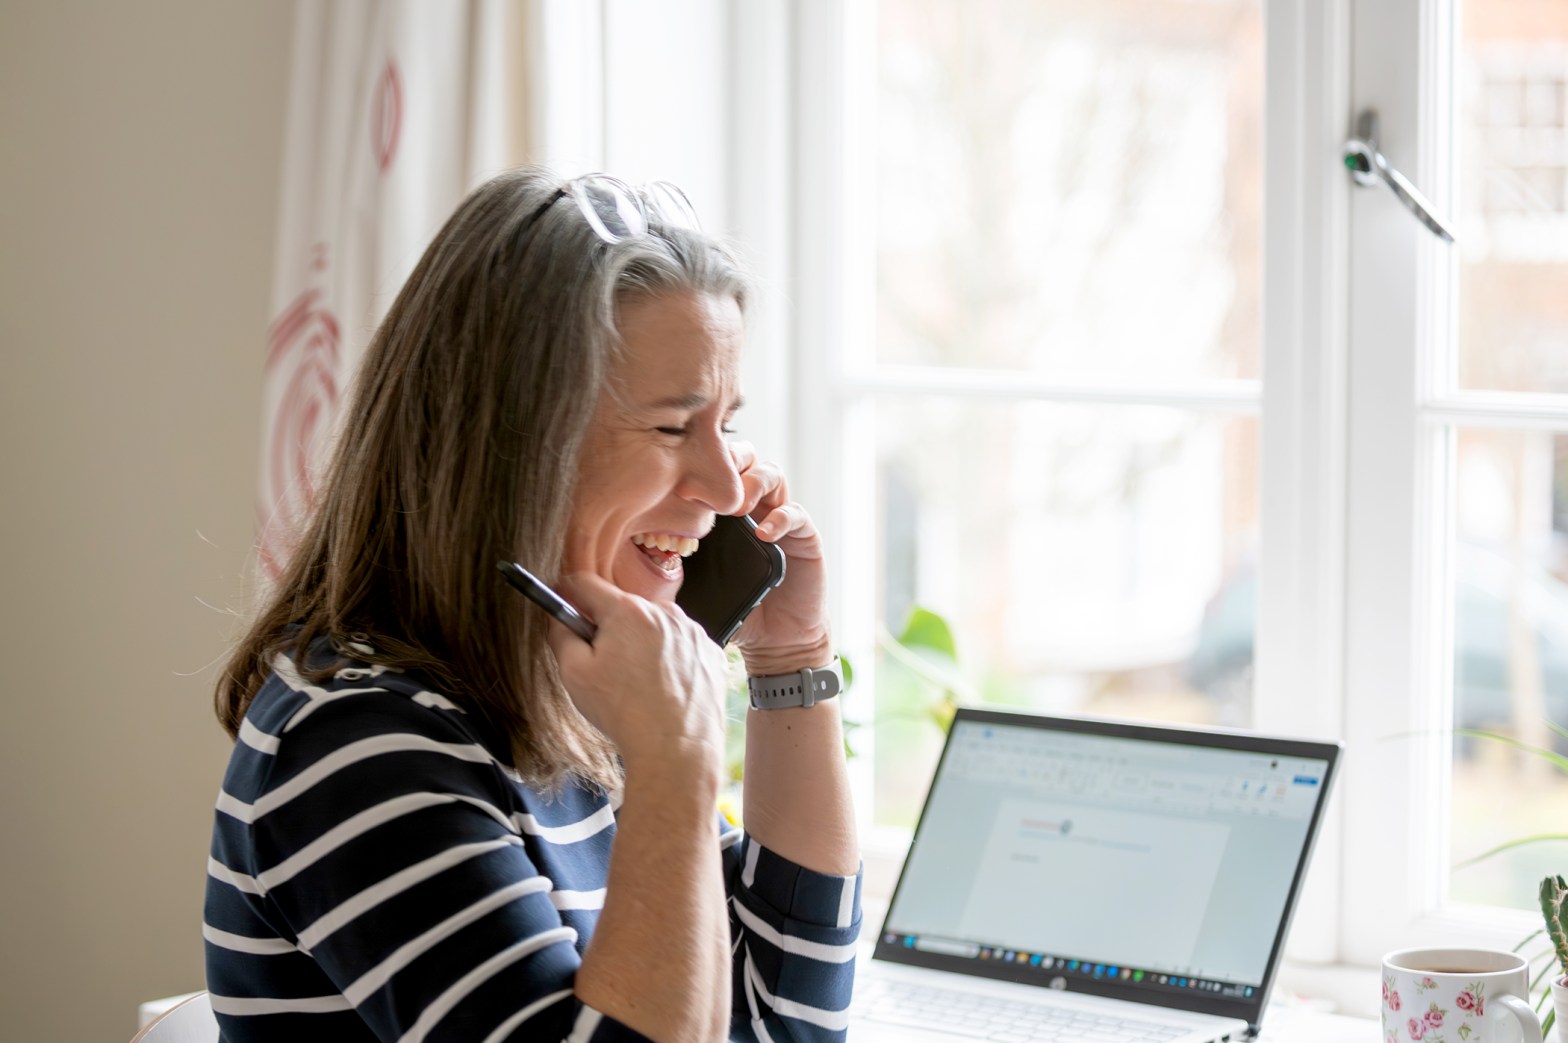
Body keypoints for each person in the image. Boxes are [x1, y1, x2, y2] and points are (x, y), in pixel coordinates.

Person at [204, 169, 861, 1042]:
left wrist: (792, 654)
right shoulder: (362, 745)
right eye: (673, 427)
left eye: (727, 426)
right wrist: (676, 761)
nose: (726, 485)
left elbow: (789, 1022)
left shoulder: (584, 685)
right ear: (510, 447)